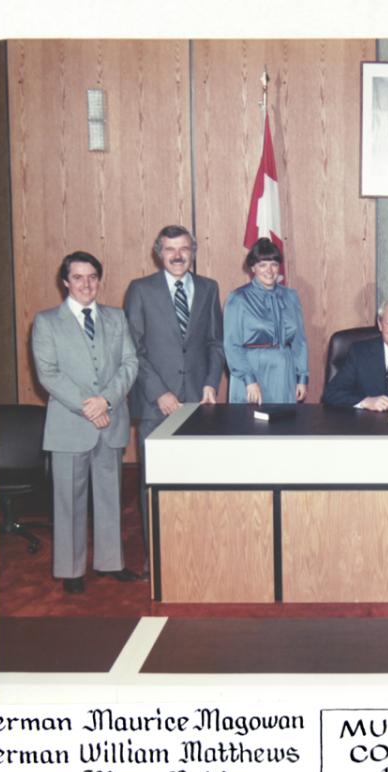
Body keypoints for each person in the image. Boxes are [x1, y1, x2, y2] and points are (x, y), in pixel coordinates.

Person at [31, 251, 140, 594]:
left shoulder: (116, 317)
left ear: (99, 280)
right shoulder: (47, 322)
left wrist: (106, 400)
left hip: (110, 421)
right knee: (69, 500)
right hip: (69, 424)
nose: (86, 284)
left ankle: (111, 562)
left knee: (110, 496)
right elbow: (48, 373)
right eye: (78, 277)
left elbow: (130, 363)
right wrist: (89, 407)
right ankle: (71, 570)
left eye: (92, 277)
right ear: (66, 281)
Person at [124, 225, 224, 559]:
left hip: (198, 401)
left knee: (197, 480)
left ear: (193, 252)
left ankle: (195, 555)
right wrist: (160, 393)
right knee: (155, 483)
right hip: (156, 405)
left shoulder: (209, 288)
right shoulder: (140, 290)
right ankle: (157, 557)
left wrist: (211, 383)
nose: (178, 256)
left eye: (184, 248)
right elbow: (133, 349)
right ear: (159, 253)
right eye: (170, 249)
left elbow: (215, 342)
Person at [224, 238, 308, 404]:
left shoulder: (291, 296)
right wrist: (249, 380)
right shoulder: (238, 298)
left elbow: (299, 341)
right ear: (253, 268)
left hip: (284, 372)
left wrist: (302, 377)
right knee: (251, 419)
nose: (269, 271)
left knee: (283, 419)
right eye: (262, 265)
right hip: (251, 372)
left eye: (274, 264)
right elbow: (232, 345)